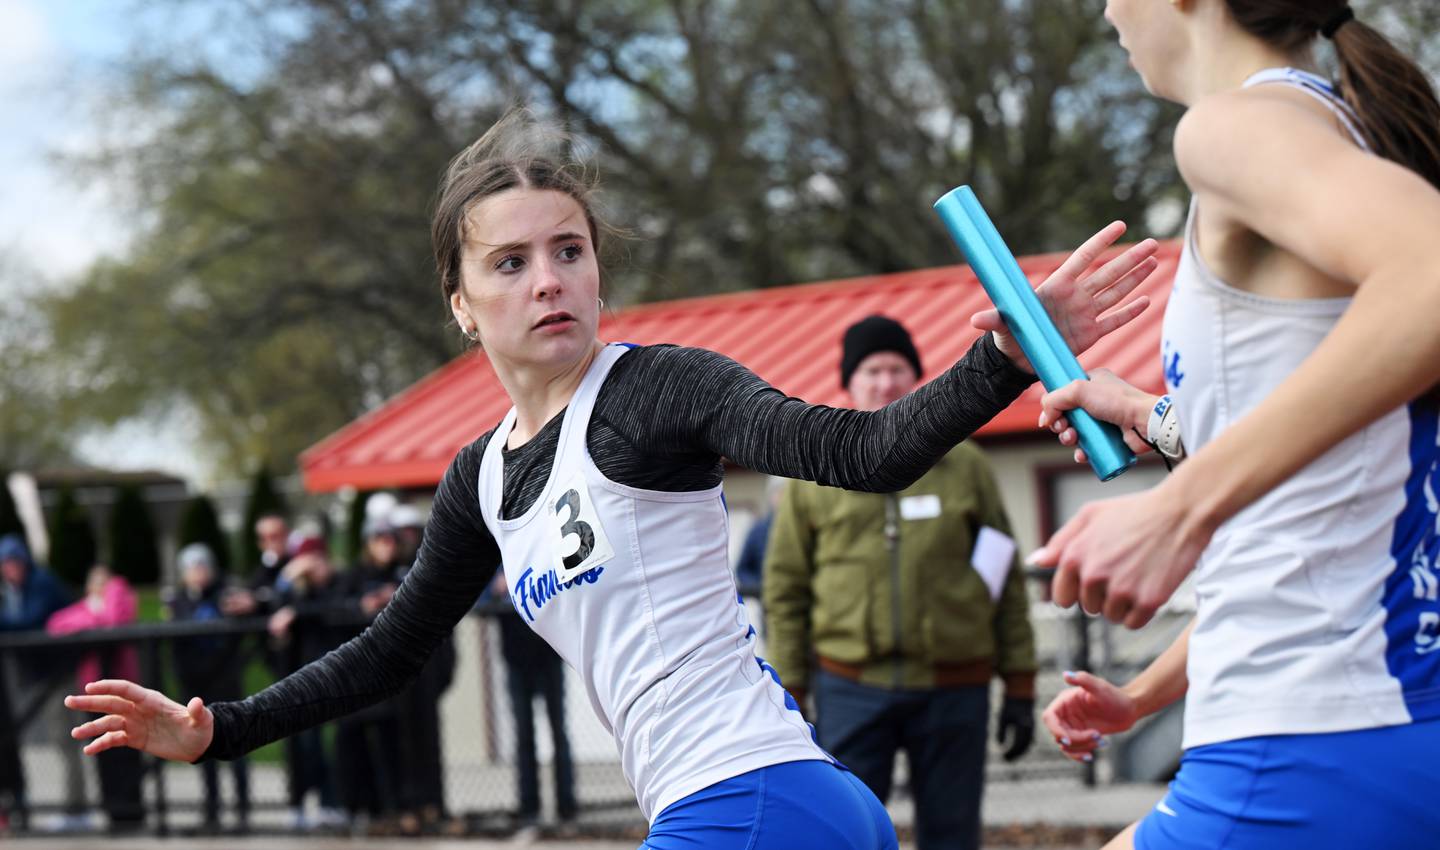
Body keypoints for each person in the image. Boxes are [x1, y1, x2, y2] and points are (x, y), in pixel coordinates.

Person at [61, 107, 1158, 849]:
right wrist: (219, 728)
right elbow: (389, 650)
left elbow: (860, 453)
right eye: (511, 261)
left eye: (570, 250)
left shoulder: (655, 392)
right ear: (460, 300)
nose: (550, 279)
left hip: (756, 796)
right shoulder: (479, 479)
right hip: (766, 805)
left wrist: (1000, 355)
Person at [1027, 3, 1440, 849]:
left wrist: (1179, 509)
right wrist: (1144, 694)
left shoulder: (1232, 128)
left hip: (1309, 741)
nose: (1105, 8)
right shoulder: (1353, 125)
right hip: (1379, 722)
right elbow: (1329, 498)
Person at [763, 315, 1038, 850]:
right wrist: (790, 693)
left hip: (954, 689)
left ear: (915, 378)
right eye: (872, 370)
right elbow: (786, 590)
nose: (885, 382)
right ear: (848, 382)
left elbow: (1001, 574)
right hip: (851, 687)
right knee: (848, 833)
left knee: (953, 834)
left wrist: (1021, 684)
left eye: (897, 369)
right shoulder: (811, 474)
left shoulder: (967, 466)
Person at [46, 565, 144, 833]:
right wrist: (93, 619)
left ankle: (133, 812)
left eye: (106, 582)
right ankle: (113, 811)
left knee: (128, 751)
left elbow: (114, 620)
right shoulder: (87, 609)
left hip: (125, 693)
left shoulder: (120, 599)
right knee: (103, 753)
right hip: (95, 694)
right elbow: (56, 624)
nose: (101, 586)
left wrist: (110, 594)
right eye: (96, 582)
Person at [164, 544, 251, 834]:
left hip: (226, 683)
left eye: (202, 566)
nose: (198, 572)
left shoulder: (226, 596)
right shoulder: (178, 602)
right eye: (192, 567)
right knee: (202, 749)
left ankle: (243, 811)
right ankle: (212, 810)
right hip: (196, 688)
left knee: (237, 746)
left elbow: (236, 639)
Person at [0, 534, 81, 828]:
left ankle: (77, 809)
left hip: (58, 674)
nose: (10, 569)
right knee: (59, 741)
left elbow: (29, 622)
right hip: (39, 676)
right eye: (5, 564)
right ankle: (73, 806)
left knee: (68, 740)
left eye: (14, 562)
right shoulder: (13, 590)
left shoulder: (41, 583)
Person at [488, 570, 577, 837]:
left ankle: (567, 808)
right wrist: (496, 590)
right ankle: (529, 809)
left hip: (548, 655)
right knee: (524, 736)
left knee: (558, 731)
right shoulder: (495, 557)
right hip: (516, 660)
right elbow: (479, 600)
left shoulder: (542, 545)